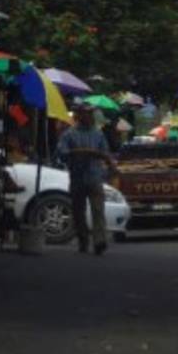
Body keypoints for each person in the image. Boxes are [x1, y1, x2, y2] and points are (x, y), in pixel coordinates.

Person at [57, 103, 117, 255]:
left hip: (95, 177)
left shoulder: (98, 134)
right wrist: (81, 152)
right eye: (85, 114)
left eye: (90, 114)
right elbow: (62, 153)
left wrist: (111, 166)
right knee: (78, 212)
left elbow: (106, 153)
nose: (89, 117)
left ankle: (99, 241)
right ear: (78, 116)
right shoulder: (69, 134)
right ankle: (83, 240)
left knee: (98, 210)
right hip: (77, 177)